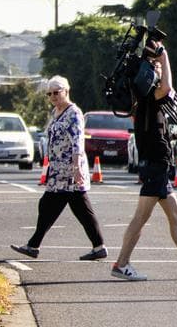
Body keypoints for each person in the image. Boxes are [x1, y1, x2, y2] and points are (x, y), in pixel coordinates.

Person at [110, 39, 177, 281]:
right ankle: (121, 263)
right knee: (140, 218)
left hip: (157, 165)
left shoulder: (147, 99)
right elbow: (168, 87)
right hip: (155, 166)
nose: (159, 69)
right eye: (155, 67)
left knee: (175, 215)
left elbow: (153, 130)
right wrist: (164, 56)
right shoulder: (149, 94)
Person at [11, 76, 107, 261]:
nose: (53, 96)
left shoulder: (74, 113)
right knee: (74, 210)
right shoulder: (56, 112)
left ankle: (33, 245)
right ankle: (98, 246)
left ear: (66, 91)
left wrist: (77, 168)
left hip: (70, 172)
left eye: (57, 92)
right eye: (49, 93)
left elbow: (78, 140)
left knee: (51, 206)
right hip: (58, 172)